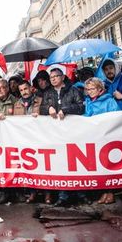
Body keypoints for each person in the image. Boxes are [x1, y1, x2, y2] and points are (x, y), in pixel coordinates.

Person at [40, 67, 84, 206]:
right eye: (51, 77)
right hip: (55, 134)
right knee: (60, 163)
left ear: (63, 77)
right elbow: (41, 108)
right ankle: (62, 195)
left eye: (55, 76)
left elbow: (81, 107)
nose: (52, 79)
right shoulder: (47, 93)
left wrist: (65, 109)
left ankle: (81, 194)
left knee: (75, 164)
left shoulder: (73, 90)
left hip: (73, 132)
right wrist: (48, 109)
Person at [83, 78, 120, 205]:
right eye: (88, 89)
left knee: (109, 165)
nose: (90, 92)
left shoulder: (109, 101)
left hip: (107, 136)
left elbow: (116, 117)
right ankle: (104, 192)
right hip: (94, 137)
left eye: (92, 89)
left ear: (100, 89)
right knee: (100, 166)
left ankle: (111, 193)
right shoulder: (88, 101)